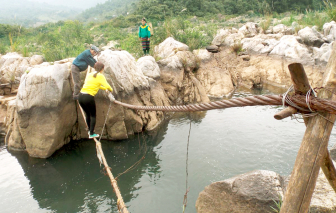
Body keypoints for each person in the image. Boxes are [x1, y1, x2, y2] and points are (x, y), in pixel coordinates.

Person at [78, 62, 113, 139]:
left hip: (80, 96)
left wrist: (105, 89)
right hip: (88, 97)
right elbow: (107, 85)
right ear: (102, 69)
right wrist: (111, 90)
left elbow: (97, 85)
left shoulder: (90, 74)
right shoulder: (100, 76)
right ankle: (91, 133)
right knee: (93, 115)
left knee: (87, 114)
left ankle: (89, 130)